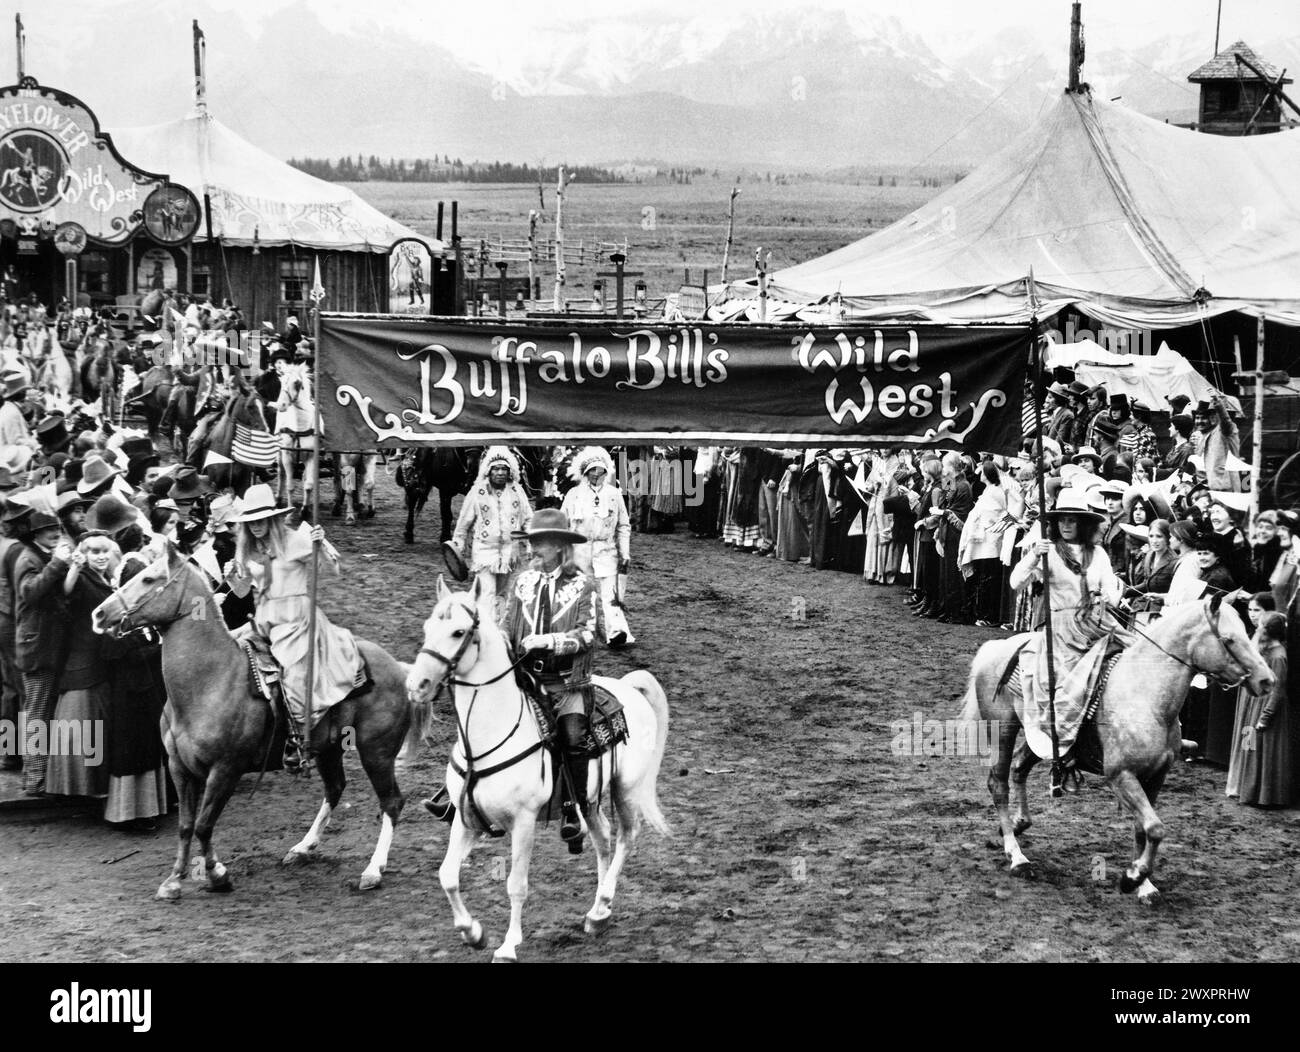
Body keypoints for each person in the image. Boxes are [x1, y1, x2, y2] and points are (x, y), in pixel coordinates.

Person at [425, 508, 600, 852]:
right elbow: (507, 625)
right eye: (531, 543)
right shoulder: (524, 582)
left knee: (573, 734)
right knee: (479, 715)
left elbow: (590, 635)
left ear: (561, 547)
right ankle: (455, 794)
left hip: (566, 682)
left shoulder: (584, 586)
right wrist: (499, 641)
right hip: (524, 674)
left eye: (540, 544)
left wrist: (548, 641)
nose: (532, 550)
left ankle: (574, 810)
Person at [228, 484, 367, 762]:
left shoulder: (295, 540)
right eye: (250, 522)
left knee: (294, 677)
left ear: (272, 519)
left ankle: (298, 739)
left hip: (296, 620)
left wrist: (321, 546)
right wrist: (233, 576)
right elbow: (243, 591)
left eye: (260, 520)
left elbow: (332, 572)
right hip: (263, 619)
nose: (255, 527)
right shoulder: (246, 548)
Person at [1008, 488, 1127, 765]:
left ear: (1083, 523)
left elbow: (1111, 590)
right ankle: (1065, 745)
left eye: (1072, 520)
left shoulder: (1098, 553)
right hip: (1062, 628)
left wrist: (1110, 596)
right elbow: (1016, 583)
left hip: (1097, 622)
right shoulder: (1048, 552)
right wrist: (1034, 556)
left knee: (1133, 656)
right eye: (1062, 520)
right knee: (1063, 682)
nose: (1066, 525)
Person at [13, 507, 73, 796]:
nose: (56, 534)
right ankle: (34, 779)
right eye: (50, 531)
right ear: (36, 534)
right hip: (38, 651)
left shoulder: (40, 555)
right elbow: (31, 592)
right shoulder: (29, 559)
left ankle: (37, 776)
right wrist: (59, 563)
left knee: (40, 713)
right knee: (37, 714)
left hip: (44, 647)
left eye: (58, 530)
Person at [449, 445, 532, 623]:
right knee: (486, 593)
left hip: (510, 554)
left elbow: (528, 520)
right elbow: (463, 523)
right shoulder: (476, 492)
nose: (500, 473)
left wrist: (531, 543)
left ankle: (500, 630)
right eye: (496, 469)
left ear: (510, 471)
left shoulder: (517, 491)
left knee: (503, 594)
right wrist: (458, 545)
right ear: (488, 470)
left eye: (504, 469)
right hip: (484, 552)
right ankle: (487, 630)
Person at [561, 447, 633, 647]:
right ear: (584, 473)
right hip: (579, 550)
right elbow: (562, 523)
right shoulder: (573, 494)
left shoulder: (614, 494)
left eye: (600, 470)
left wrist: (624, 552)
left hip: (606, 550)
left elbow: (623, 525)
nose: (596, 474)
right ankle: (582, 630)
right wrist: (563, 553)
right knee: (581, 592)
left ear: (606, 471)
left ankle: (616, 632)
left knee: (610, 593)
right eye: (592, 470)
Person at [1227, 612, 1294, 807]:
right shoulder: (1263, 651)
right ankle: (1246, 789)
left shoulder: (1278, 655)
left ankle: (1263, 795)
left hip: (1264, 710)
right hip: (1253, 707)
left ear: (1267, 630)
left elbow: (1278, 691)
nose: (1256, 628)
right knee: (1249, 746)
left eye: (1260, 625)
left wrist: (1265, 717)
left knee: (1260, 750)